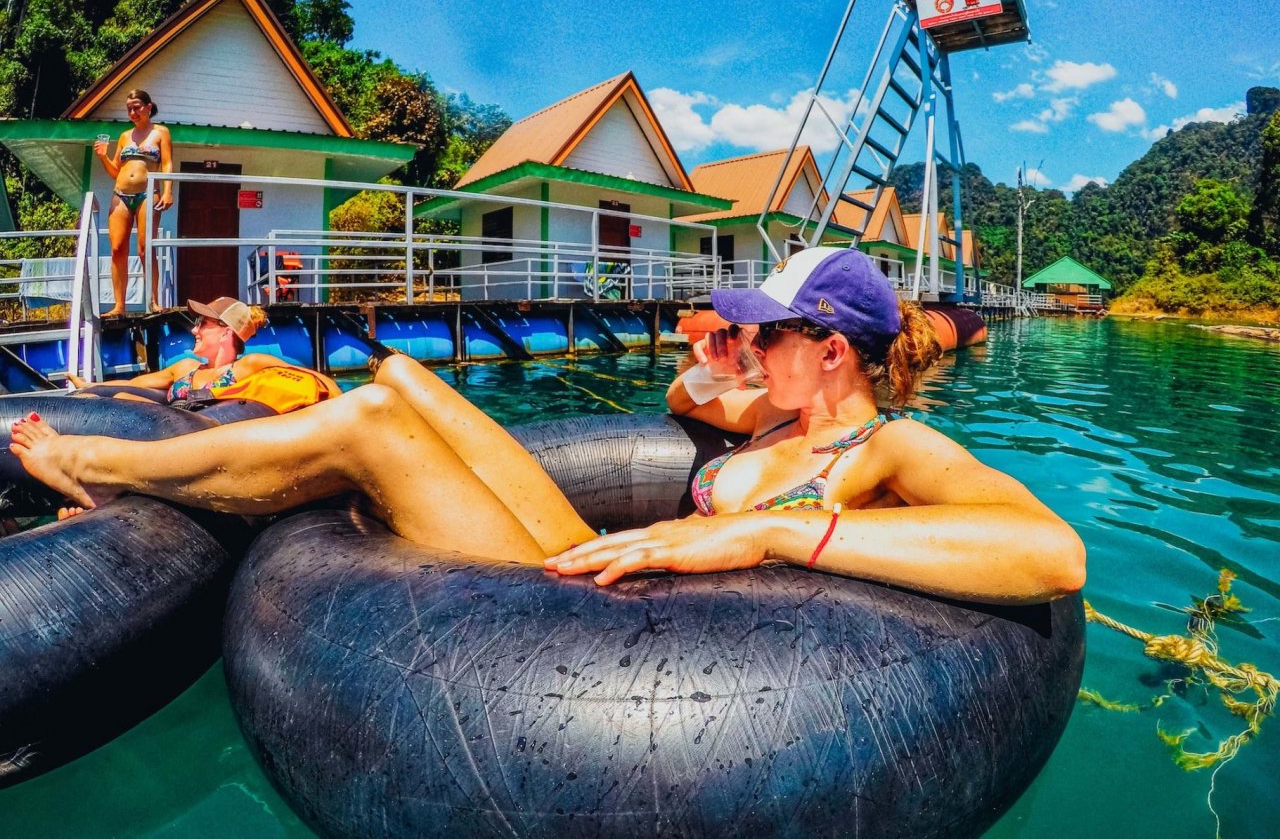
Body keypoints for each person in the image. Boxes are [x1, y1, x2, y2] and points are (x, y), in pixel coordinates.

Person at [9, 248, 1084, 605]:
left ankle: (97, 459)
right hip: (583, 560)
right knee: (399, 383)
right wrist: (709, 366)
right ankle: (128, 455)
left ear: (832, 350)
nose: (744, 346)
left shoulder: (886, 447)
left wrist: (769, 532)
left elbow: (1052, 553)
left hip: (615, 631)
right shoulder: (772, 412)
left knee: (372, 433)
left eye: (764, 334)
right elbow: (681, 402)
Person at [67, 296, 340, 409]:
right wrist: (91, 386)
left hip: (207, 438)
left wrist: (339, 405)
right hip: (167, 432)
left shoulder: (249, 366)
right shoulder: (185, 368)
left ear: (225, 332)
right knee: (123, 396)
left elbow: (315, 380)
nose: (195, 330)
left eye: (203, 324)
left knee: (124, 399)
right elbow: (132, 384)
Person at [94, 89, 173, 315]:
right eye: (129, 108)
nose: (132, 112)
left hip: (148, 194)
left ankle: (153, 301)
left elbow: (167, 164)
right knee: (117, 248)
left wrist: (168, 191)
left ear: (148, 107)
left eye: (137, 107)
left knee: (144, 249)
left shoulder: (161, 133)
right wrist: (103, 157)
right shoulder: (124, 136)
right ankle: (119, 305)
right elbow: (115, 171)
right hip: (120, 194)